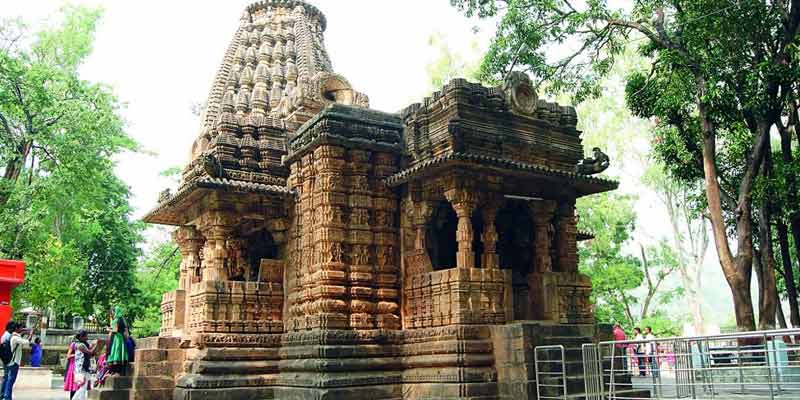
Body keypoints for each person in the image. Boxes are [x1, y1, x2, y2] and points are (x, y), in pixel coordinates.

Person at [3, 322, 34, 400]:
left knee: (9, 380)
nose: (22, 329)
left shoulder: (14, 336)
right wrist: (31, 334)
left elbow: (21, 339)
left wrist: (24, 332)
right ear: (16, 329)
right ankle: (7, 397)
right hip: (14, 362)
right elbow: (27, 342)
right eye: (20, 328)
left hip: (12, 361)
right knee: (11, 381)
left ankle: (6, 396)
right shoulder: (15, 337)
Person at [72, 330, 101, 400]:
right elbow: (90, 352)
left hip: (86, 367)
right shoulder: (80, 345)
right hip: (81, 368)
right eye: (86, 336)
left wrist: (96, 345)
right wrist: (97, 344)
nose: (87, 338)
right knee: (83, 387)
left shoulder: (85, 344)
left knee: (84, 387)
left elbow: (92, 353)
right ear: (81, 337)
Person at [106, 306, 129, 376]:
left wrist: (108, 329)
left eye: (112, 312)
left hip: (117, 338)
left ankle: (117, 372)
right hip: (117, 338)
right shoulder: (119, 319)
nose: (112, 313)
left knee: (116, 353)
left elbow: (115, 330)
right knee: (115, 353)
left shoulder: (117, 319)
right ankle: (115, 371)